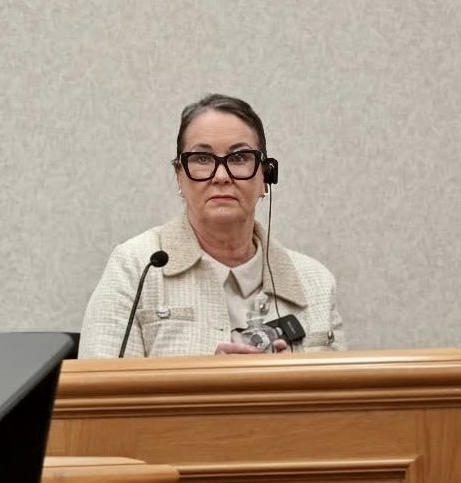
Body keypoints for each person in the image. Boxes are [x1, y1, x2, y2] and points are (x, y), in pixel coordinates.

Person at [78, 93, 346, 358]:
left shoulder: (316, 283)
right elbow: (98, 385)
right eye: (202, 159)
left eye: (239, 158)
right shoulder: (137, 268)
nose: (221, 176)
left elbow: (344, 387)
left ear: (266, 176)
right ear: (179, 177)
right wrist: (208, 379)